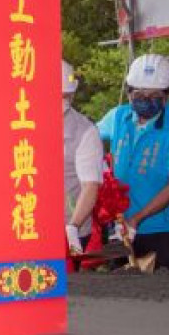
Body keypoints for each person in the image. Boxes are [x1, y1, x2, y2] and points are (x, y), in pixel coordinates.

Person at [97, 53, 169, 272]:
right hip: (119, 227)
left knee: (165, 294)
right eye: (139, 94)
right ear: (129, 91)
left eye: (154, 95)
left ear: (167, 95)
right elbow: (89, 137)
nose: (145, 100)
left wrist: (137, 219)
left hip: (163, 230)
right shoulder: (118, 117)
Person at [61, 60, 102, 254]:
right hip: (26, 224)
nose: (64, 100)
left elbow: (90, 186)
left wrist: (73, 226)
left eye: (67, 96)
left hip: (68, 225)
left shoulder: (84, 131)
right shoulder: (21, 121)